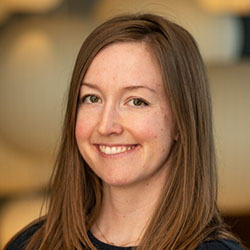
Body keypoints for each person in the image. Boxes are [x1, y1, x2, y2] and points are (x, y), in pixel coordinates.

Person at [4, 13, 245, 250]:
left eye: (136, 101)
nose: (106, 126)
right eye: (92, 98)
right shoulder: (31, 244)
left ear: (181, 122)